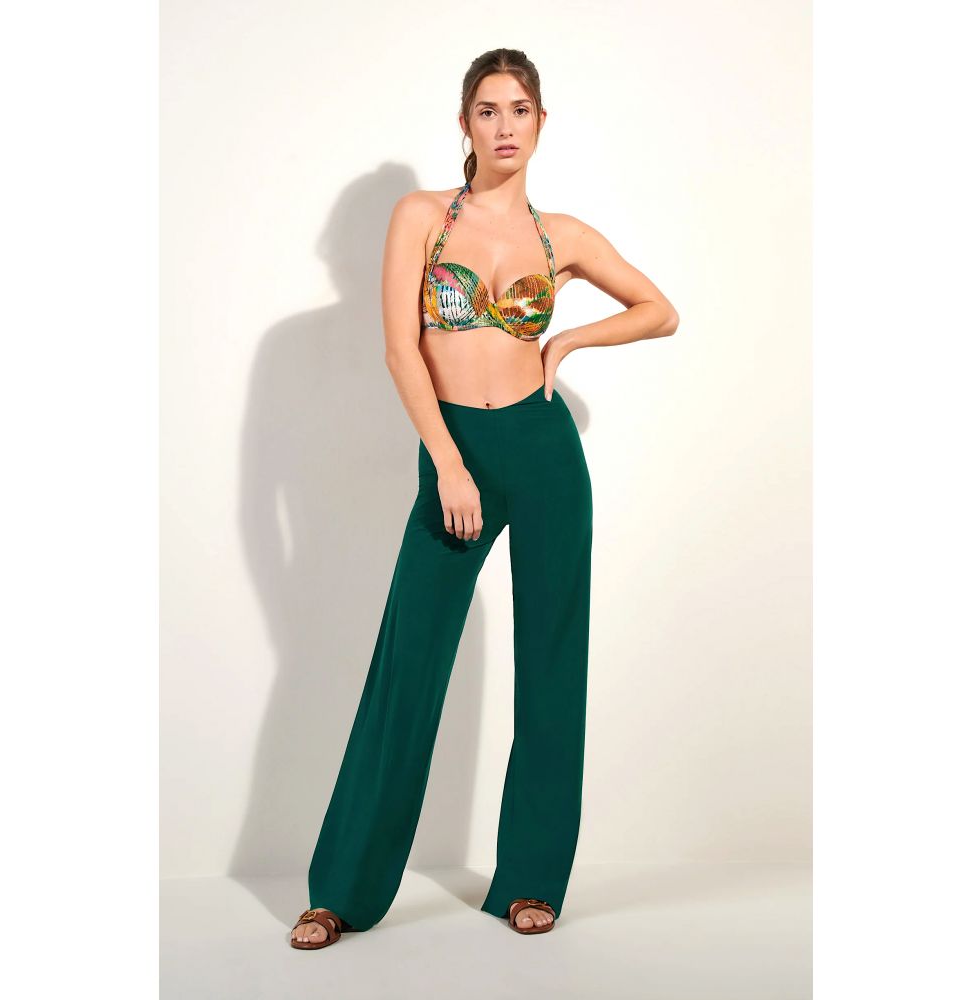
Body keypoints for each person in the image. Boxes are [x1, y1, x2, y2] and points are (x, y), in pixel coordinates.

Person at [291, 47, 679, 950]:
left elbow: (660, 311)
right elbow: (401, 348)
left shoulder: (562, 236)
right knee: (408, 665)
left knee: (552, 663)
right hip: (455, 455)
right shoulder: (422, 216)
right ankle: (341, 891)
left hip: (544, 456)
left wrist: (568, 343)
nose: (505, 126)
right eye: (488, 110)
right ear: (464, 123)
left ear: (542, 123)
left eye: (520, 109)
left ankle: (531, 881)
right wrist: (448, 464)